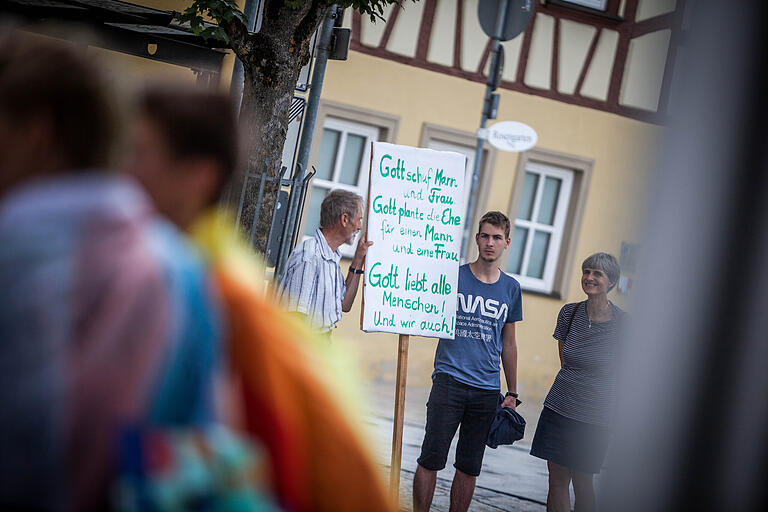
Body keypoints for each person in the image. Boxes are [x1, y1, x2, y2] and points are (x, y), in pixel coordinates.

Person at [124, 83, 396, 512]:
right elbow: (296, 324)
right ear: (344, 219)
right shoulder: (307, 256)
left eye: (142, 153)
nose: (128, 169)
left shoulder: (323, 260)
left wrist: (359, 263)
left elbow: (341, 307)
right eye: (359, 222)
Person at [0, 32, 222, 510]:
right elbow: (201, 458)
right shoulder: (185, 271)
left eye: (141, 152)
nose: (128, 167)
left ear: (36, 131)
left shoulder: (16, 244)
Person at [413, 211, 523, 512]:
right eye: (485, 235)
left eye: (496, 237)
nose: (490, 242)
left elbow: (509, 343)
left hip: (486, 390)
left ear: (506, 243)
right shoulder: (454, 277)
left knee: (469, 466)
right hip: (449, 380)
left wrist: (512, 392)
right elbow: (423, 307)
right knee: (431, 457)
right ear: (477, 238)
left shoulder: (511, 289)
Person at [530, 252, 626, 512]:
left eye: (597, 274)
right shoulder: (569, 313)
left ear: (611, 282)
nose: (589, 277)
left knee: (583, 482)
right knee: (557, 480)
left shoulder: (623, 324)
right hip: (559, 409)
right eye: (586, 271)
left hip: (596, 417)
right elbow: (566, 360)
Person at [277, 189, 372, 333]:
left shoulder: (331, 255)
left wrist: (358, 258)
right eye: (359, 219)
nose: (360, 226)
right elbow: (295, 320)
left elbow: (345, 304)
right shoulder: (309, 256)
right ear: (345, 219)